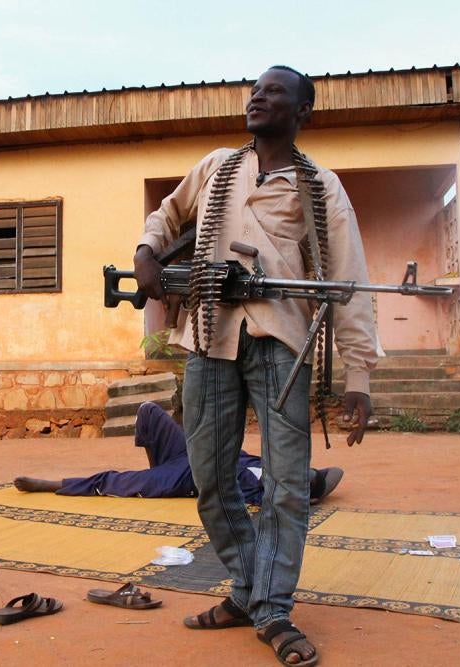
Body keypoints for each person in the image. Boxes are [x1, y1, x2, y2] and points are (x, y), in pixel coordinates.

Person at [133, 66, 378, 666]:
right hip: (210, 337)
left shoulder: (322, 186)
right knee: (211, 478)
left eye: (274, 92)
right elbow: (168, 215)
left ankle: (271, 607)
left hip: (281, 345)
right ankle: (248, 589)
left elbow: (349, 282)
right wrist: (145, 254)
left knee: (287, 486)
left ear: (302, 112)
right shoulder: (218, 165)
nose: (258, 97)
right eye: (255, 90)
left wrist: (359, 375)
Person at [14, 402, 344, 506]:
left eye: (303, 478)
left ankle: (55, 483)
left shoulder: (256, 490)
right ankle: (156, 473)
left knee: (114, 481)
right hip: (185, 453)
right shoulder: (261, 464)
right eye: (304, 471)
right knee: (147, 412)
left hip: (186, 475)